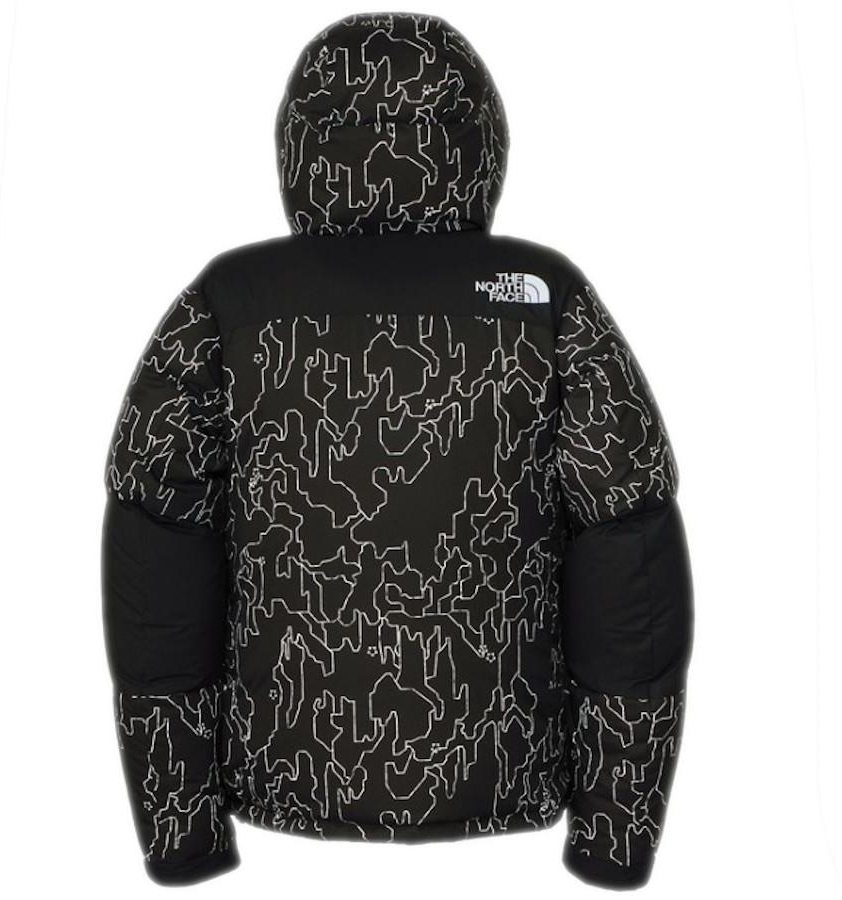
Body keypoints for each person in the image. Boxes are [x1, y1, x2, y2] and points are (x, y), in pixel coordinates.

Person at [101, 11, 694, 890]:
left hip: (280, 812)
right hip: (510, 813)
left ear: (301, 144)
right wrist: (615, 831)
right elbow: (630, 562)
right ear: (481, 140)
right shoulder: (541, 299)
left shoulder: (231, 304)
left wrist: (182, 827)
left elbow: (157, 564)